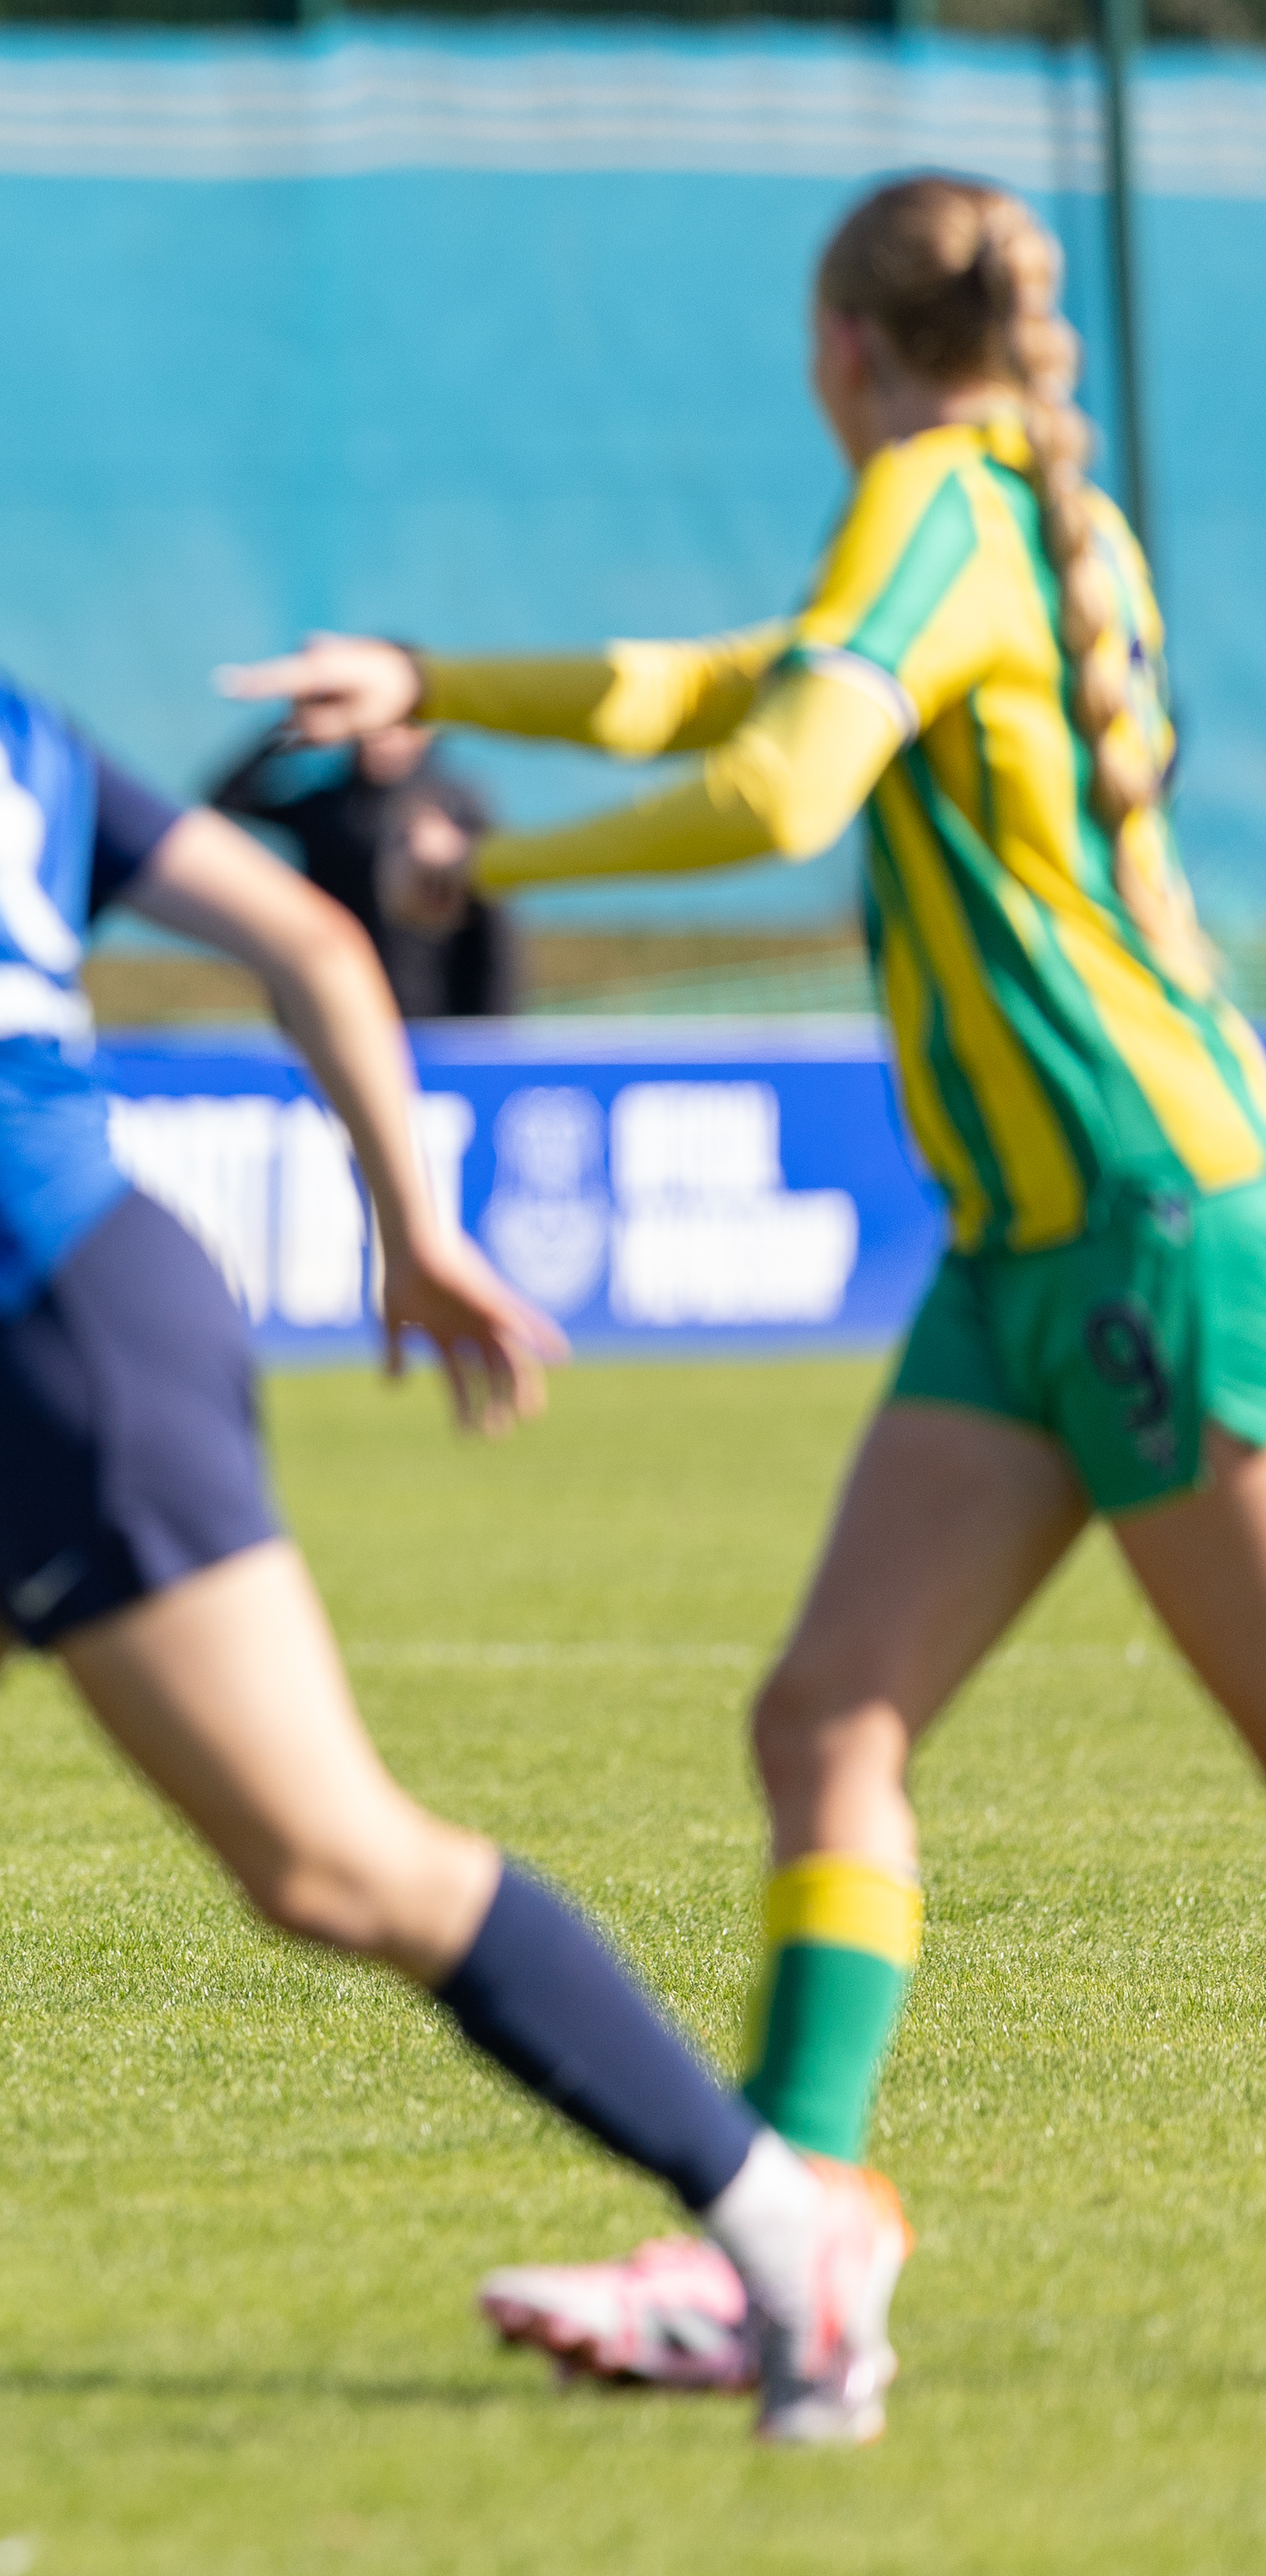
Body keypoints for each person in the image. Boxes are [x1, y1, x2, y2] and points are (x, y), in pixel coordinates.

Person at [0, 307, 906, 2470]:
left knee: (338, 1862)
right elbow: (305, 929)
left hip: (38, 1326)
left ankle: (784, 2223)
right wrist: (416, 1213)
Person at [225, 171, 1266, 2406]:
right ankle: (798, 2233)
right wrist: (441, 683)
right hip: (1032, 1248)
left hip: (1145, 1219)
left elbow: (788, 772)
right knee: (825, 1721)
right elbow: (738, 682)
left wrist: (485, 853)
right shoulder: (994, 503)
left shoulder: (928, 490)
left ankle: (788, 2221)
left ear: (842, 339)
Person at [208, 719, 522, 1018]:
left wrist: (493, 1025)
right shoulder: (328, 808)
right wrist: (287, 732)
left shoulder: (456, 810)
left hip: (434, 1010)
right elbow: (229, 801)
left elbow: (493, 927)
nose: (378, 740)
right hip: (338, 1004)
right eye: (369, 729)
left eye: (393, 728)